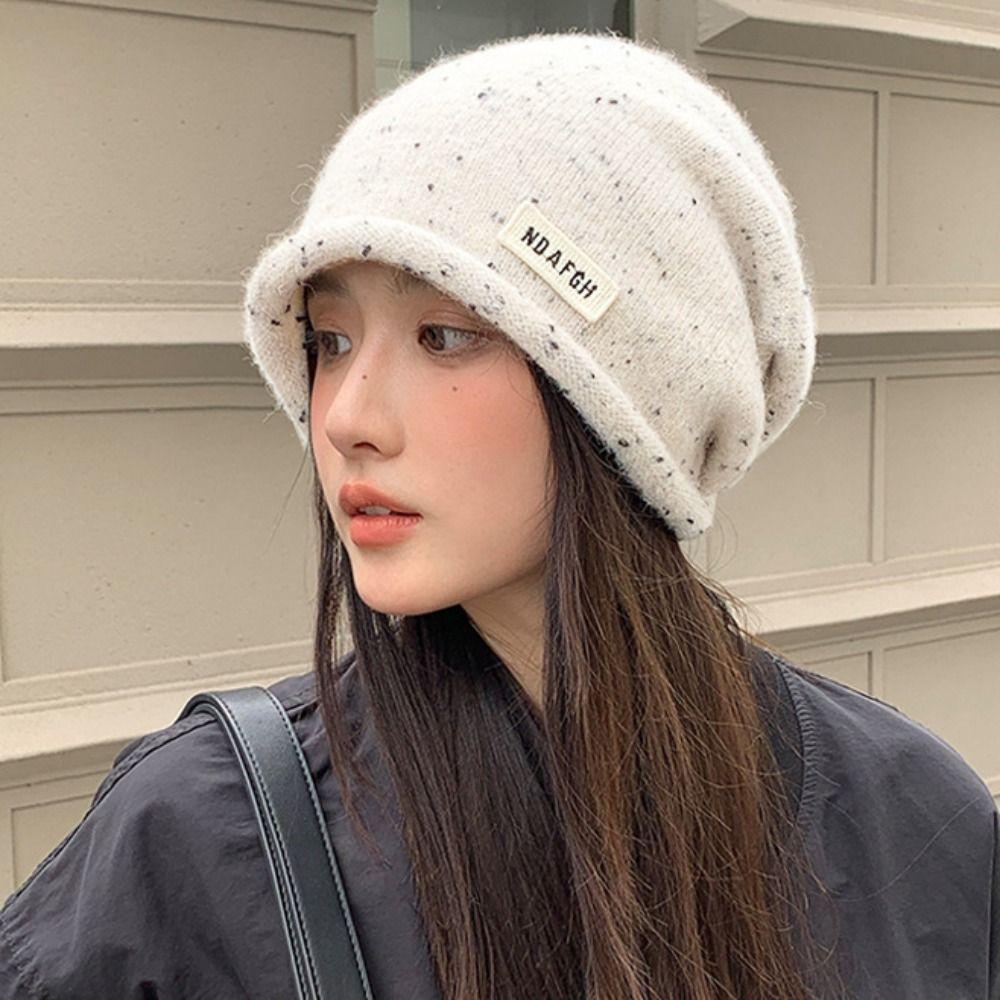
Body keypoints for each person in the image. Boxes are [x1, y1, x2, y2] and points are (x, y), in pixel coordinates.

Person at [1, 30, 997, 1000]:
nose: (345, 418)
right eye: (331, 340)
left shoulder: (911, 819)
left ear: (631, 405)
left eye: (443, 334)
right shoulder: (194, 843)